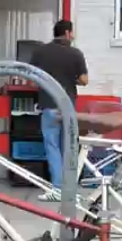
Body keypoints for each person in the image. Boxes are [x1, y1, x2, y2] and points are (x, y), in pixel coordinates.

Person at [30, 20, 88, 202]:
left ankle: (57, 188)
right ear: (68, 33)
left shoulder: (40, 52)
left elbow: (31, 79)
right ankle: (70, 189)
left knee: (52, 146)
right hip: (67, 107)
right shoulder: (75, 53)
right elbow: (84, 80)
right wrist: (71, 79)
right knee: (69, 146)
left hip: (49, 105)